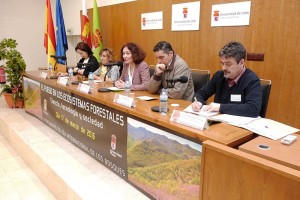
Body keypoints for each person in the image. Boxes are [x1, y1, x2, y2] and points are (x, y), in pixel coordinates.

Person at [191, 41, 262, 117]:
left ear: (241, 62)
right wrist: (198, 102)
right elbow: (201, 93)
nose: (224, 68)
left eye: (228, 64)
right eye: (222, 63)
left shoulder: (252, 80)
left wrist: (220, 107)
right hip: (217, 121)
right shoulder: (219, 76)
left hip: (237, 125)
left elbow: (253, 109)